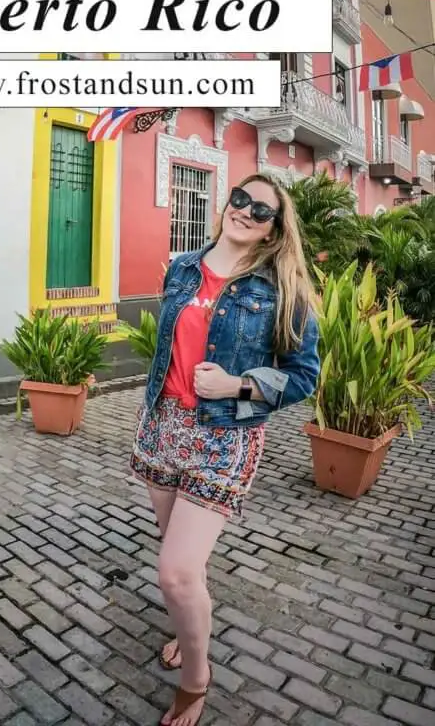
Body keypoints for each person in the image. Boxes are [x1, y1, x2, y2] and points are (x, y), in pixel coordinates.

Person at [130, 173, 320, 726]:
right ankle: (189, 628)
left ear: (272, 230)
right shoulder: (183, 267)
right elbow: (168, 347)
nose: (246, 211)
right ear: (225, 204)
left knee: (176, 572)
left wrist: (237, 385)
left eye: (261, 210)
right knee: (178, 559)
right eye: (240, 198)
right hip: (164, 426)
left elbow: (303, 376)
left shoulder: (282, 290)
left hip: (226, 436)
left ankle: (196, 679)